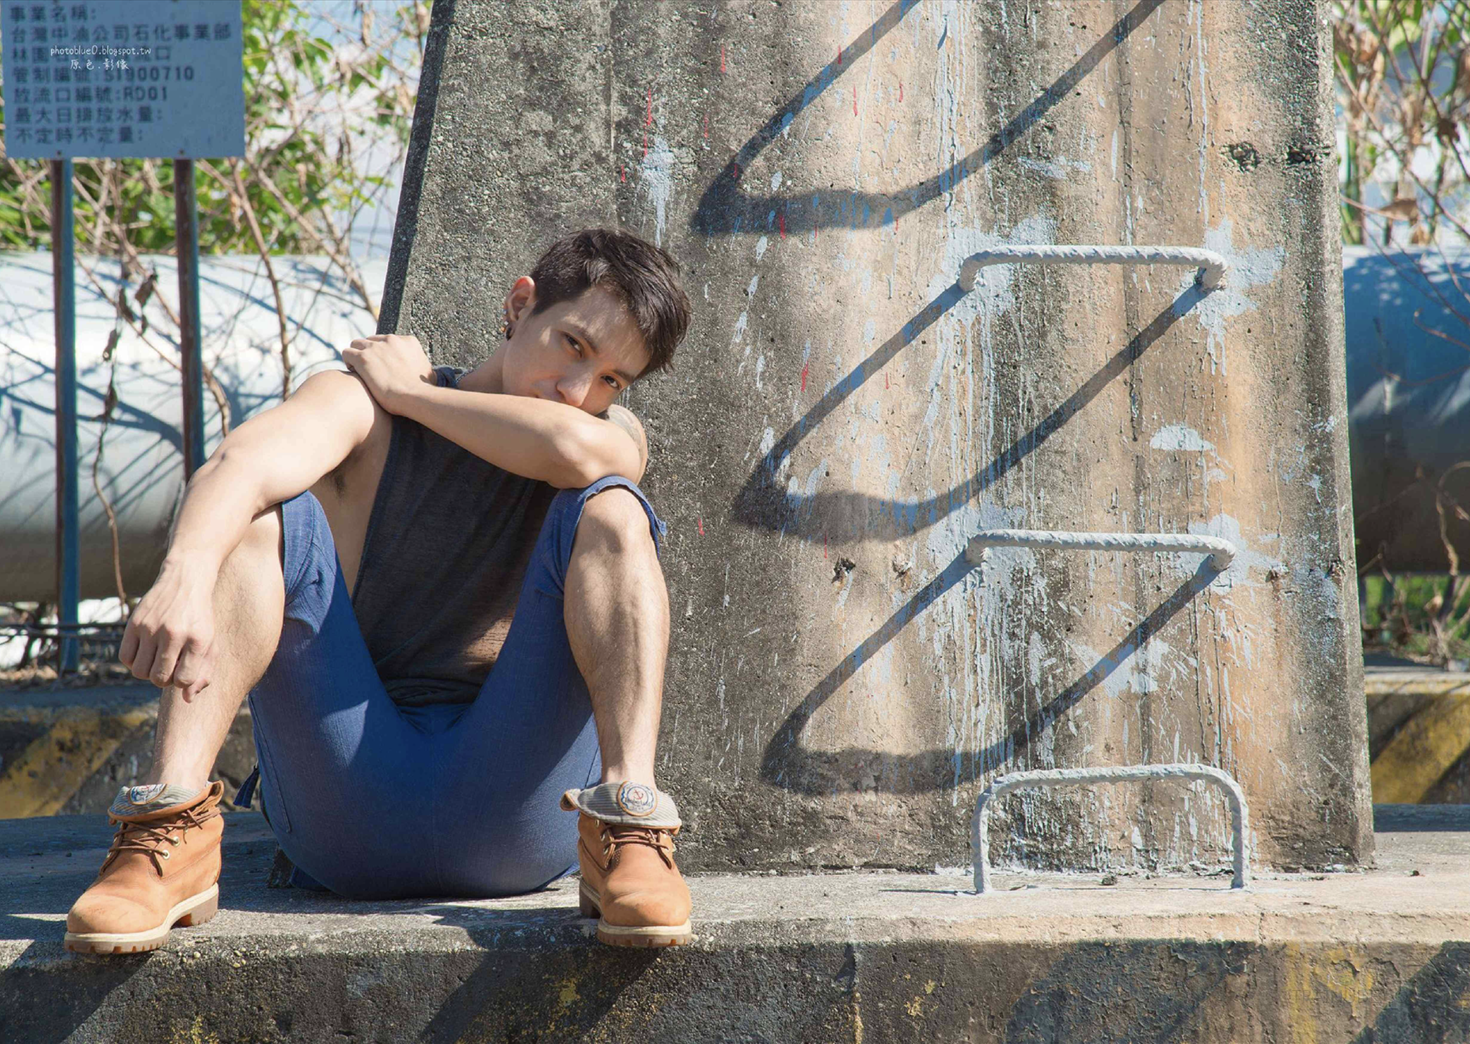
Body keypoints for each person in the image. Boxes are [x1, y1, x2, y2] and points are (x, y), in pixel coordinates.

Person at [63, 228, 696, 953]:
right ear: (520, 305)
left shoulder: (610, 436)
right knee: (258, 514)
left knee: (615, 508)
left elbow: (574, 448)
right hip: (348, 797)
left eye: (613, 379)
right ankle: (164, 833)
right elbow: (244, 462)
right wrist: (185, 574)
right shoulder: (363, 408)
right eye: (573, 345)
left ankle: (629, 825)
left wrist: (412, 394)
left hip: (519, 809)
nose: (578, 392)